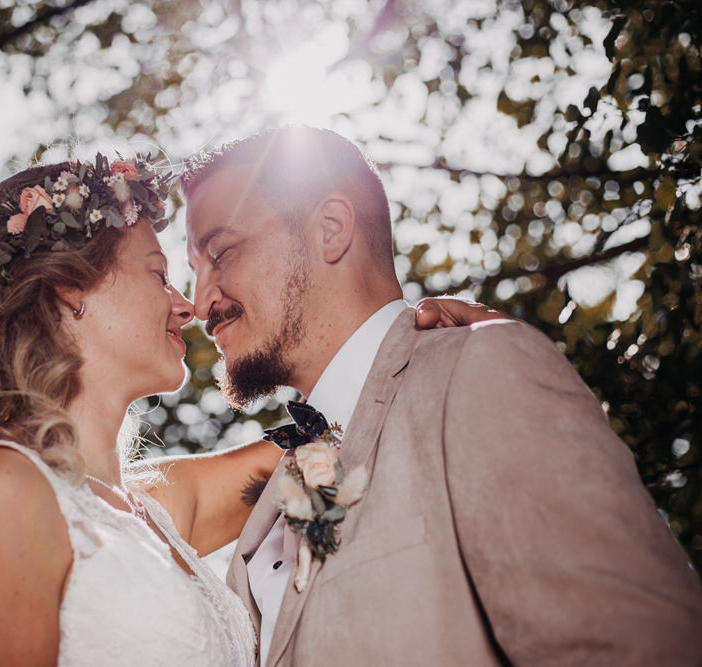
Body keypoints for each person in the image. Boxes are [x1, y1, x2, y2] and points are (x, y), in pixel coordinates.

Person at [0, 152, 503, 665]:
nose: (188, 305)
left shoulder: (148, 508)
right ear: (71, 288)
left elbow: (330, 443)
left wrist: (419, 340)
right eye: (159, 274)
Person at [181, 127, 702, 666]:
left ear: (330, 230)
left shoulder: (477, 371)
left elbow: (635, 647)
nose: (199, 304)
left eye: (220, 251)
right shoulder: (274, 496)